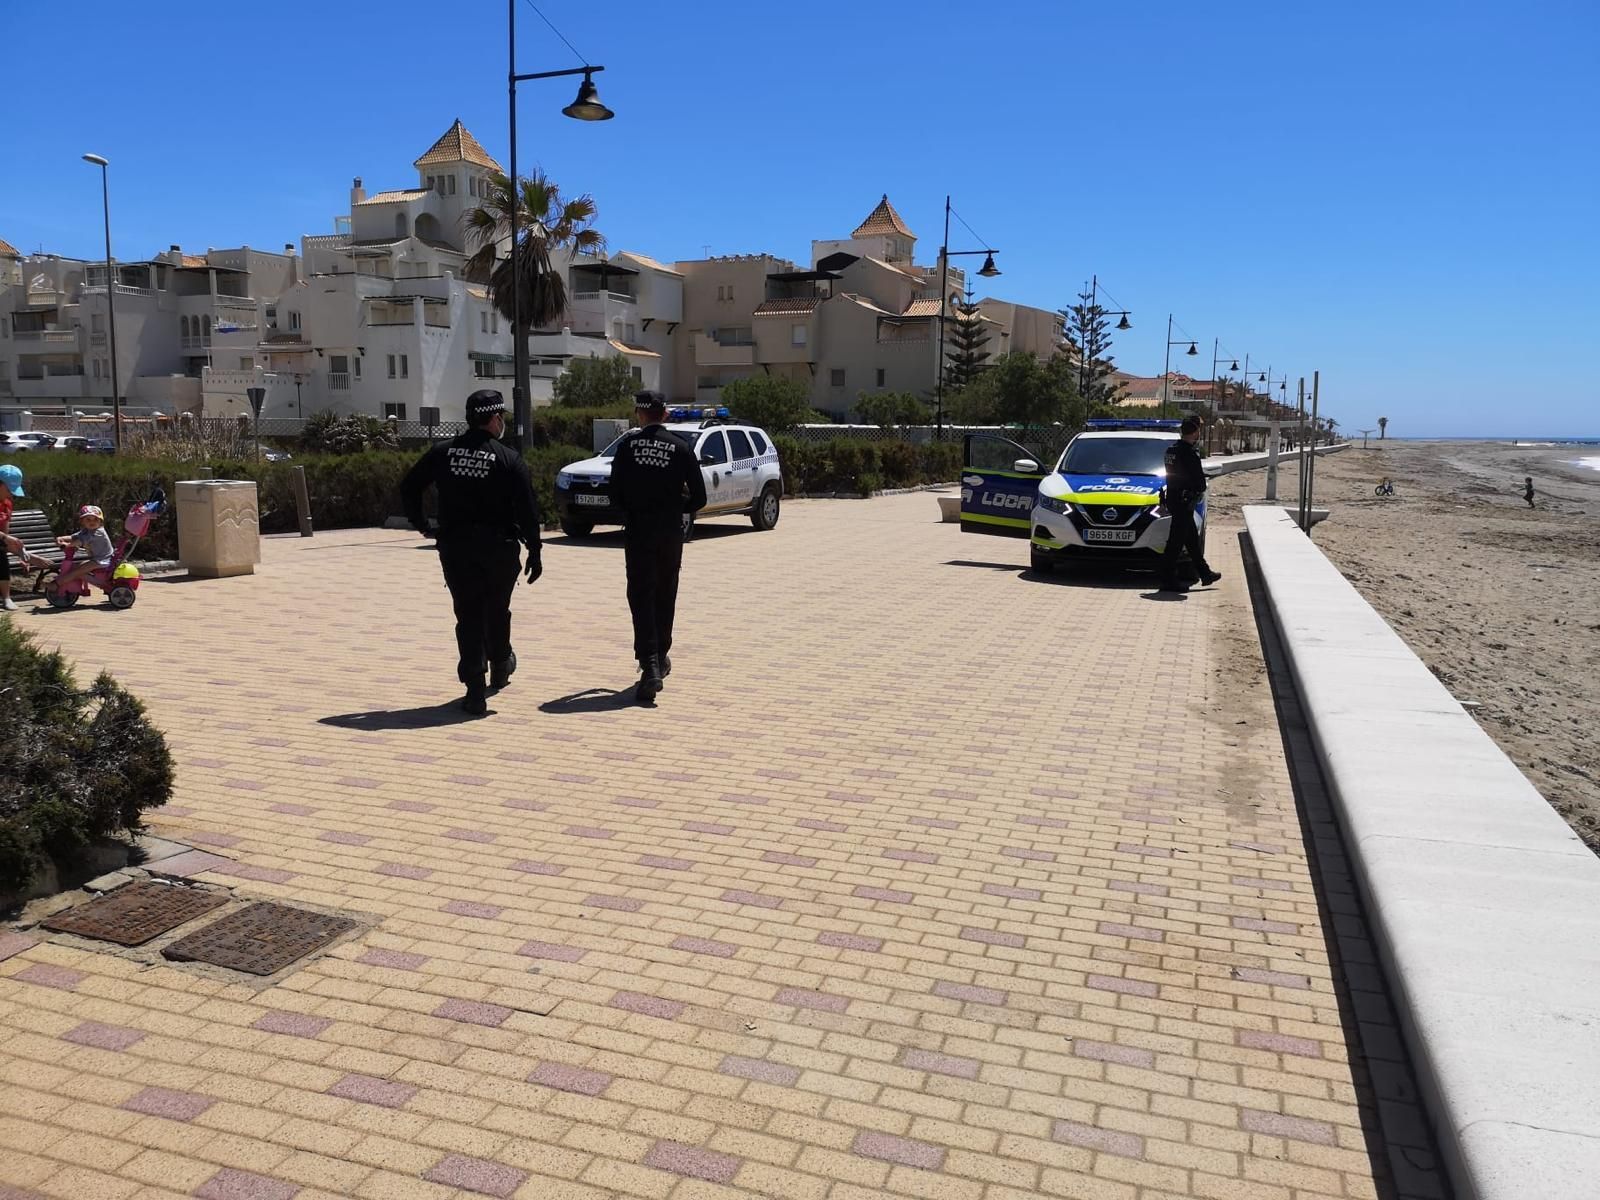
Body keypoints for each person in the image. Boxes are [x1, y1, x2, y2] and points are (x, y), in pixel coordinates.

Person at [400, 389, 542, 715]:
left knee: (468, 616)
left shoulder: (442, 453)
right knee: (497, 610)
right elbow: (528, 510)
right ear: (495, 419)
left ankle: (475, 688)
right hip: (499, 549)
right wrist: (535, 550)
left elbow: (409, 486)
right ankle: (501, 663)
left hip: (457, 548)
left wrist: (422, 524)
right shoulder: (508, 459)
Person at [608, 391, 707, 701]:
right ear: (664, 414)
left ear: (639, 415)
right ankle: (660, 657)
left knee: (641, 597)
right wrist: (676, 508)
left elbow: (614, 495)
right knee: (665, 594)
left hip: (639, 533)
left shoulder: (627, 447)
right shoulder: (680, 447)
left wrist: (633, 512)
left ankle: (649, 663)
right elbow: (700, 498)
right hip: (669, 534)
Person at [1159, 415, 1222, 593]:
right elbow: (1199, 482)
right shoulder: (1189, 453)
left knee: (1191, 539)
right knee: (1175, 542)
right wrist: (1199, 487)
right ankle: (1167, 580)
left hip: (1173, 498)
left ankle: (1205, 573)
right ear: (1195, 432)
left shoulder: (1171, 450)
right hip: (1184, 502)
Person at [55, 505, 115, 593]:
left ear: (100, 521)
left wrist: (67, 545)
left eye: (95, 519)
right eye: (88, 519)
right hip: (97, 559)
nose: (92, 522)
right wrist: (61, 538)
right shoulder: (86, 530)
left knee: (76, 572)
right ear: (82, 522)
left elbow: (81, 541)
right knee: (76, 567)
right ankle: (83, 588)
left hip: (103, 560)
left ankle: (56, 584)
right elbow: (74, 537)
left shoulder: (98, 532)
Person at [0, 463, 32, 612]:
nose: (10, 494)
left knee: (1, 553)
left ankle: (6, 598)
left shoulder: (7, 504)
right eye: (9, 490)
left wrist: (20, 554)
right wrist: (7, 539)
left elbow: (4, 533)